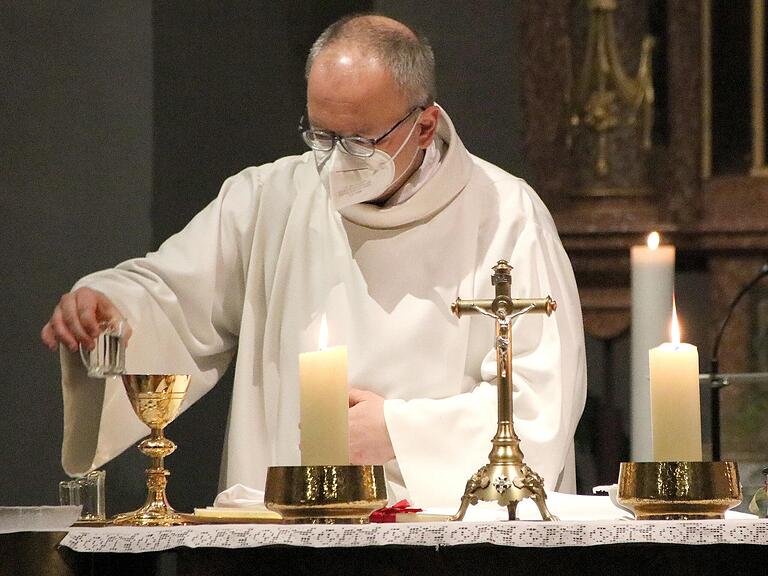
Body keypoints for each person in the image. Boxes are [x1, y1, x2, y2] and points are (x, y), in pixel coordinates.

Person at [42, 14, 586, 508]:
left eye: (359, 141)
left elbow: (541, 404)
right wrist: (108, 308)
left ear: (424, 125)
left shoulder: (505, 213)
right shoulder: (269, 197)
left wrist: (399, 432)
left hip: (443, 541)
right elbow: (175, 298)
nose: (334, 162)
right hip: (287, 532)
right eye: (321, 135)